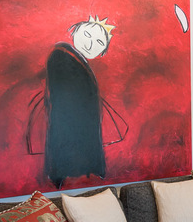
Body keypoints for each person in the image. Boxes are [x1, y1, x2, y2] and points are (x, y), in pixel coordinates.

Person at [30, 16, 128, 187]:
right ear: (74, 32)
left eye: (99, 42)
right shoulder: (62, 55)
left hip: (80, 124)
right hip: (68, 123)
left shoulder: (77, 59)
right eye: (87, 35)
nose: (91, 45)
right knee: (66, 159)